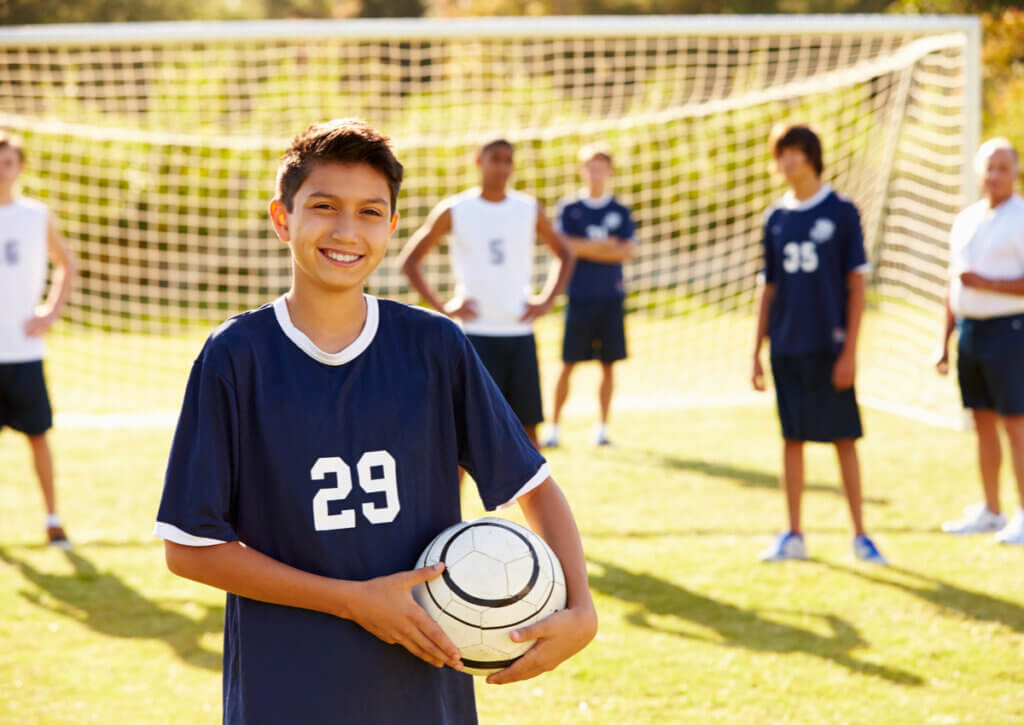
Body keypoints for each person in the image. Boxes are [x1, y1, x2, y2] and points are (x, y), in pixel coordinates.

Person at [154, 119, 597, 725]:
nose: (346, 230)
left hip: (421, 685)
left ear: (391, 227)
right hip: (286, 685)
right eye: (323, 207)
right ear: (283, 219)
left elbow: (533, 486)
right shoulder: (237, 355)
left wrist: (582, 607)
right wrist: (352, 602)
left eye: (369, 212)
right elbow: (190, 547)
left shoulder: (433, 345)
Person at [751, 123, 886, 564]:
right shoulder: (775, 218)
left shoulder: (842, 212)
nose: (787, 161)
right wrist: (755, 350)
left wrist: (850, 351)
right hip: (787, 346)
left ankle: (861, 535)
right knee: (792, 439)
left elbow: (857, 286)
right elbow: (767, 289)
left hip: (829, 347)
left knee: (844, 438)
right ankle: (793, 533)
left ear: (811, 156)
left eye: (794, 152)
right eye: (781, 154)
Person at [399, 139, 574, 448]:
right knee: (465, 435)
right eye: (495, 159)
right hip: (475, 335)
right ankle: (452, 499)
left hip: (520, 332)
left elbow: (565, 254)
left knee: (527, 434)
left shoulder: (527, 208)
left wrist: (546, 300)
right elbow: (410, 261)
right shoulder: (457, 209)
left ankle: (522, 498)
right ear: (479, 161)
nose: (502, 167)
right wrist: (444, 307)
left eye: (508, 160)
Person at [936, 137, 1024, 545]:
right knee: (982, 423)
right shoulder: (967, 219)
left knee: (1015, 424)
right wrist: (944, 339)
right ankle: (991, 509)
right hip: (970, 333)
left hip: (1009, 333)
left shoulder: (1020, 217)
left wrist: (986, 283)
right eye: (988, 167)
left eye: (1002, 167)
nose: (994, 175)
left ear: (1016, 172)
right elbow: (954, 283)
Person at [0, 131, 77, 549]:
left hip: (24, 352)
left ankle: (52, 519)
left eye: (8, 162)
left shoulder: (35, 215)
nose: (1, 169)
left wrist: (50, 312)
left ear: (19, 167)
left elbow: (67, 264)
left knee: (38, 436)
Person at [544, 143, 636, 448]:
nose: (595, 173)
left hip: (610, 298)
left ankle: (601, 428)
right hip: (579, 297)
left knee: (608, 365)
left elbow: (627, 250)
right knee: (567, 363)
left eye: (601, 167)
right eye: (590, 167)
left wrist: (587, 248)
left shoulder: (619, 210)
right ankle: (554, 427)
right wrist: (605, 247)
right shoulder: (570, 209)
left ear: (609, 171)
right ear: (582, 171)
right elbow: (565, 246)